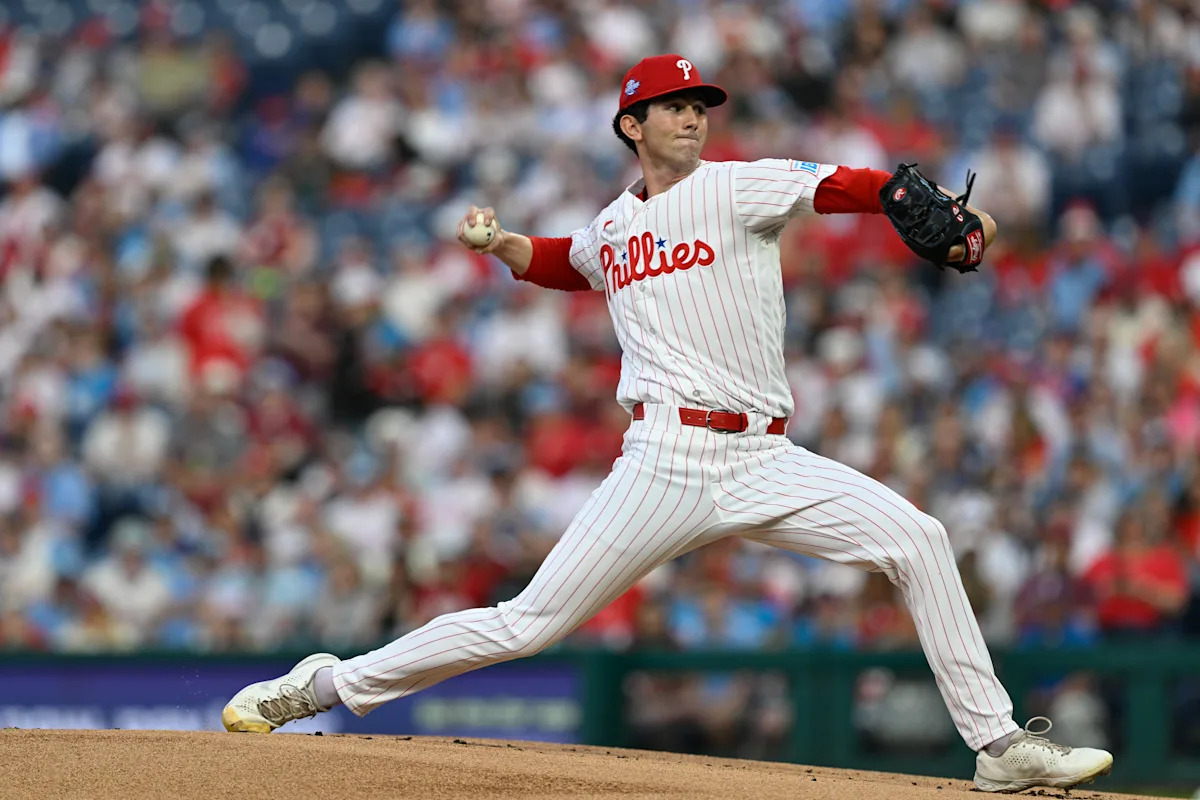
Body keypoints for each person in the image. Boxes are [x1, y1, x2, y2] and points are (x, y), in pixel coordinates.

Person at [222, 54, 1113, 792]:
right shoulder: (612, 227)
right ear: (630, 126)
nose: (691, 117)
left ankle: (998, 747)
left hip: (766, 454)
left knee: (918, 539)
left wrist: (911, 206)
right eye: (670, 107)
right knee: (528, 623)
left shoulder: (739, 187)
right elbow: (570, 265)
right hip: (665, 458)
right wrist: (500, 246)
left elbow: (850, 184)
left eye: (698, 105)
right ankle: (325, 684)